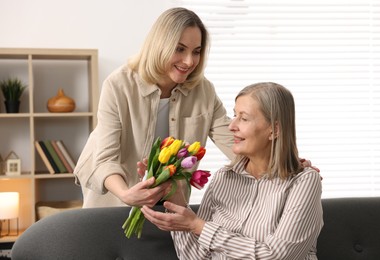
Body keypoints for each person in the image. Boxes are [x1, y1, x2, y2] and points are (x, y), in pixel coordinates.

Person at [73, 7, 235, 208]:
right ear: (160, 45)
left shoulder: (204, 91)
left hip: (167, 199)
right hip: (113, 195)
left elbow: (234, 141)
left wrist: (278, 164)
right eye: (179, 49)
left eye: (197, 52)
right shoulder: (118, 85)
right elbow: (105, 159)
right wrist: (126, 194)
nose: (189, 61)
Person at [141, 82, 324, 259]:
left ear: (274, 130)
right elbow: (196, 257)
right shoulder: (224, 178)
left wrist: (199, 227)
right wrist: (175, 198)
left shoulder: (304, 181)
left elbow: (278, 256)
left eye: (243, 119)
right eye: (234, 115)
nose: (231, 126)